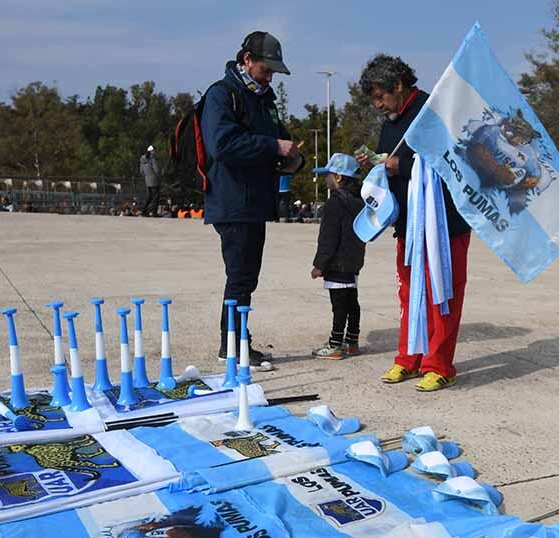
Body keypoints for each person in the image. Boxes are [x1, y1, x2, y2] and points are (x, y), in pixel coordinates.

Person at [354, 54, 472, 392]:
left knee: (442, 296)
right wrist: (374, 165)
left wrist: (397, 167)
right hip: (408, 223)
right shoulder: (391, 121)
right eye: (373, 99)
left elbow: (450, 165)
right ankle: (410, 358)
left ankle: (440, 365)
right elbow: (391, 163)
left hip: (444, 224)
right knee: (410, 295)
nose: (377, 105)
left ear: (399, 85)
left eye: (381, 96)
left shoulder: (433, 112)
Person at [201, 30, 303, 363]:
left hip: (256, 202)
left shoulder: (264, 100)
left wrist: (292, 158)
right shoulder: (222, 95)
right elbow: (223, 146)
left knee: (247, 275)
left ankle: (236, 340)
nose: (270, 75)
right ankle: (231, 345)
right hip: (232, 202)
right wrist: (272, 146)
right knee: (240, 275)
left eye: (274, 70)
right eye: (266, 68)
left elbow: (280, 140)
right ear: (247, 59)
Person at [309, 153, 366, 359]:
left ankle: (335, 344)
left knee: (339, 304)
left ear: (339, 178)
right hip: (353, 261)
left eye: (328, 175)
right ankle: (352, 340)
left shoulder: (335, 203)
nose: (326, 179)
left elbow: (328, 238)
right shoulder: (359, 201)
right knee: (352, 301)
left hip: (337, 262)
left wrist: (319, 265)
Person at [139, 145, 162, 217]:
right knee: (156, 196)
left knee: (149, 196)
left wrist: (147, 177)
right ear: (151, 151)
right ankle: (154, 212)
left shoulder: (143, 159)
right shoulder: (153, 158)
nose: (155, 152)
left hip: (147, 181)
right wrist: (160, 175)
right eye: (154, 150)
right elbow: (157, 170)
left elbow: (141, 171)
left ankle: (143, 211)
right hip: (154, 180)